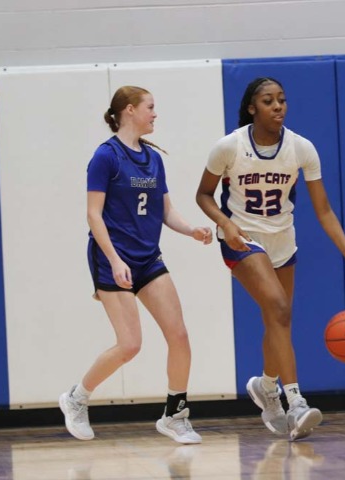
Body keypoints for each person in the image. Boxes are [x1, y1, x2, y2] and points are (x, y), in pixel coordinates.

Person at [195, 77, 345, 441]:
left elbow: (324, 210)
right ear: (252, 108)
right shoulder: (229, 146)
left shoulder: (301, 148)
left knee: (278, 318)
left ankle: (267, 386)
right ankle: (295, 401)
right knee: (279, 308)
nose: (278, 106)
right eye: (269, 101)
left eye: (282, 100)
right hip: (242, 239)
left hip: (283, 241)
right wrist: (225, 224)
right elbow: (203, 195)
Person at [59, 86, 212, 444]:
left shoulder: (154, 158)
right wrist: (114, 260)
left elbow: (166, 211)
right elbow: (93, 215)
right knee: (129, 345)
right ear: (130, 110)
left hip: (147, 258)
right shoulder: (106, 156)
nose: (155, 114)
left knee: (179, 335)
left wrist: (192, 230)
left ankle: (175, 415)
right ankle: (77, 398)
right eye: (150, 107)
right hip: (111, 257)